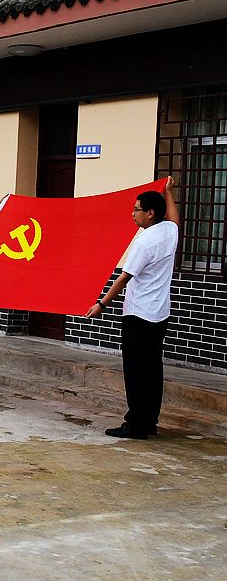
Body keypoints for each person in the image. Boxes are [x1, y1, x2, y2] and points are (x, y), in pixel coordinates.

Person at [85, 179, 179, 439]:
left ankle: (136, 425)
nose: (132, 213)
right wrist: (168, 193)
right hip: (160, 314)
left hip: (138, 315)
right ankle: (149, 422)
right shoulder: (169, 231)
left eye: (137, 209)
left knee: (136, 371)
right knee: (153, 369)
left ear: (150, 213)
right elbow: (174, 218)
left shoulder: (144, 243)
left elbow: (124, 278)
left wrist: (101, 304)